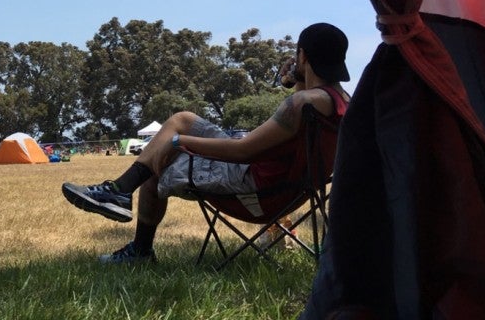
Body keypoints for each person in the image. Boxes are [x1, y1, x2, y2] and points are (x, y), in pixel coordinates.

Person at [62, 23, 351, 264]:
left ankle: (139, 249)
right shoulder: (341, 103)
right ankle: (120, 190)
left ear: (302, 56)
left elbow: (245, 150)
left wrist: (178, 142)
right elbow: (294, 127)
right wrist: (295, 80)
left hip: (255, 189)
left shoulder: (301, 103)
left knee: (158, 165)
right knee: (183, 118)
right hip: (292, 190)